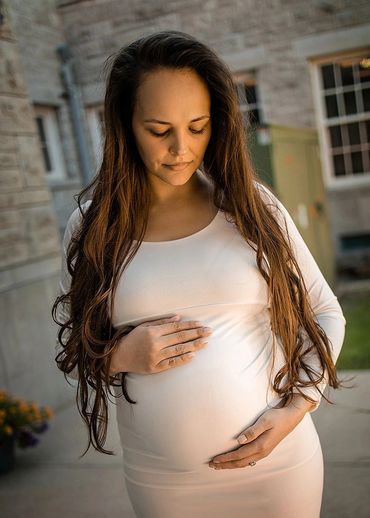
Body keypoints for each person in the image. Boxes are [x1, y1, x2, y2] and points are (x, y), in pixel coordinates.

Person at [52, 30, 348, 518]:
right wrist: (119, 354)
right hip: (165, 484)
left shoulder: (253, 209)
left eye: (198, 126)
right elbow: (75, 348)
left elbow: (325, 311)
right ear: (125, 125)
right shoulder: (93, 227)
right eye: (158, 129)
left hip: (280, 470)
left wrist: (299, 406)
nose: (181, 148)